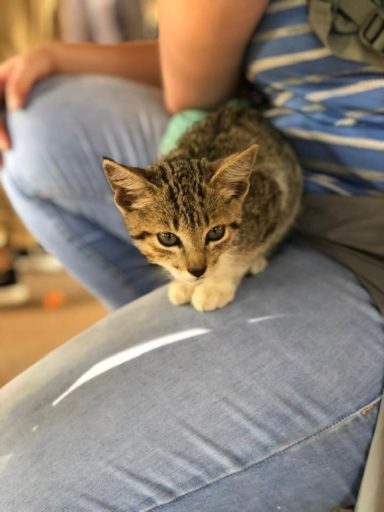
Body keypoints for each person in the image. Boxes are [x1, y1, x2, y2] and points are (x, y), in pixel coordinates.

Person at [0, 0, 383, 510]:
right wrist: (54, 55)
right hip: (273, 133)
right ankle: (185, 344)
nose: (196, 260)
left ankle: (205, 361)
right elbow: (189, 74)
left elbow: (193, 89)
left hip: (360, 228)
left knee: (25, 488)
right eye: (168, 242)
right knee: (35, 123)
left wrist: (234, 260)